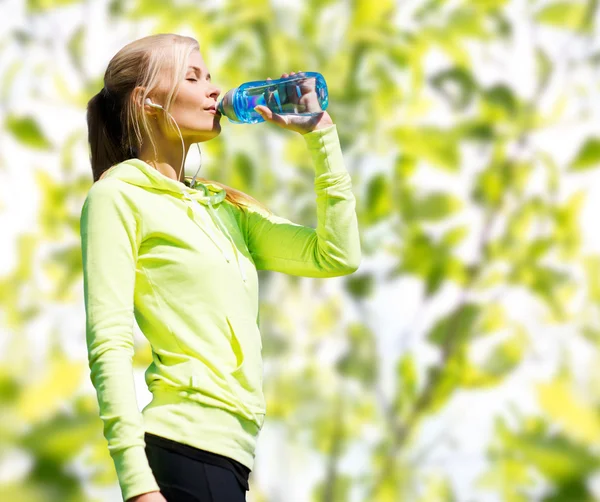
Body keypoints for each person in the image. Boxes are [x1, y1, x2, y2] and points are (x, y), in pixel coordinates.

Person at [80, 33, 361, 502]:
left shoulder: (222, 206)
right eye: (193, 77)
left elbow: (335, 255)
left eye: (210, 76)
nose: (214, 90)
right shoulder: (118, 197)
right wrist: (137, 485)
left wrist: (322, 138)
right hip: (182, 449)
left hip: (231, 458)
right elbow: (108, 341)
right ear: (147, 101)